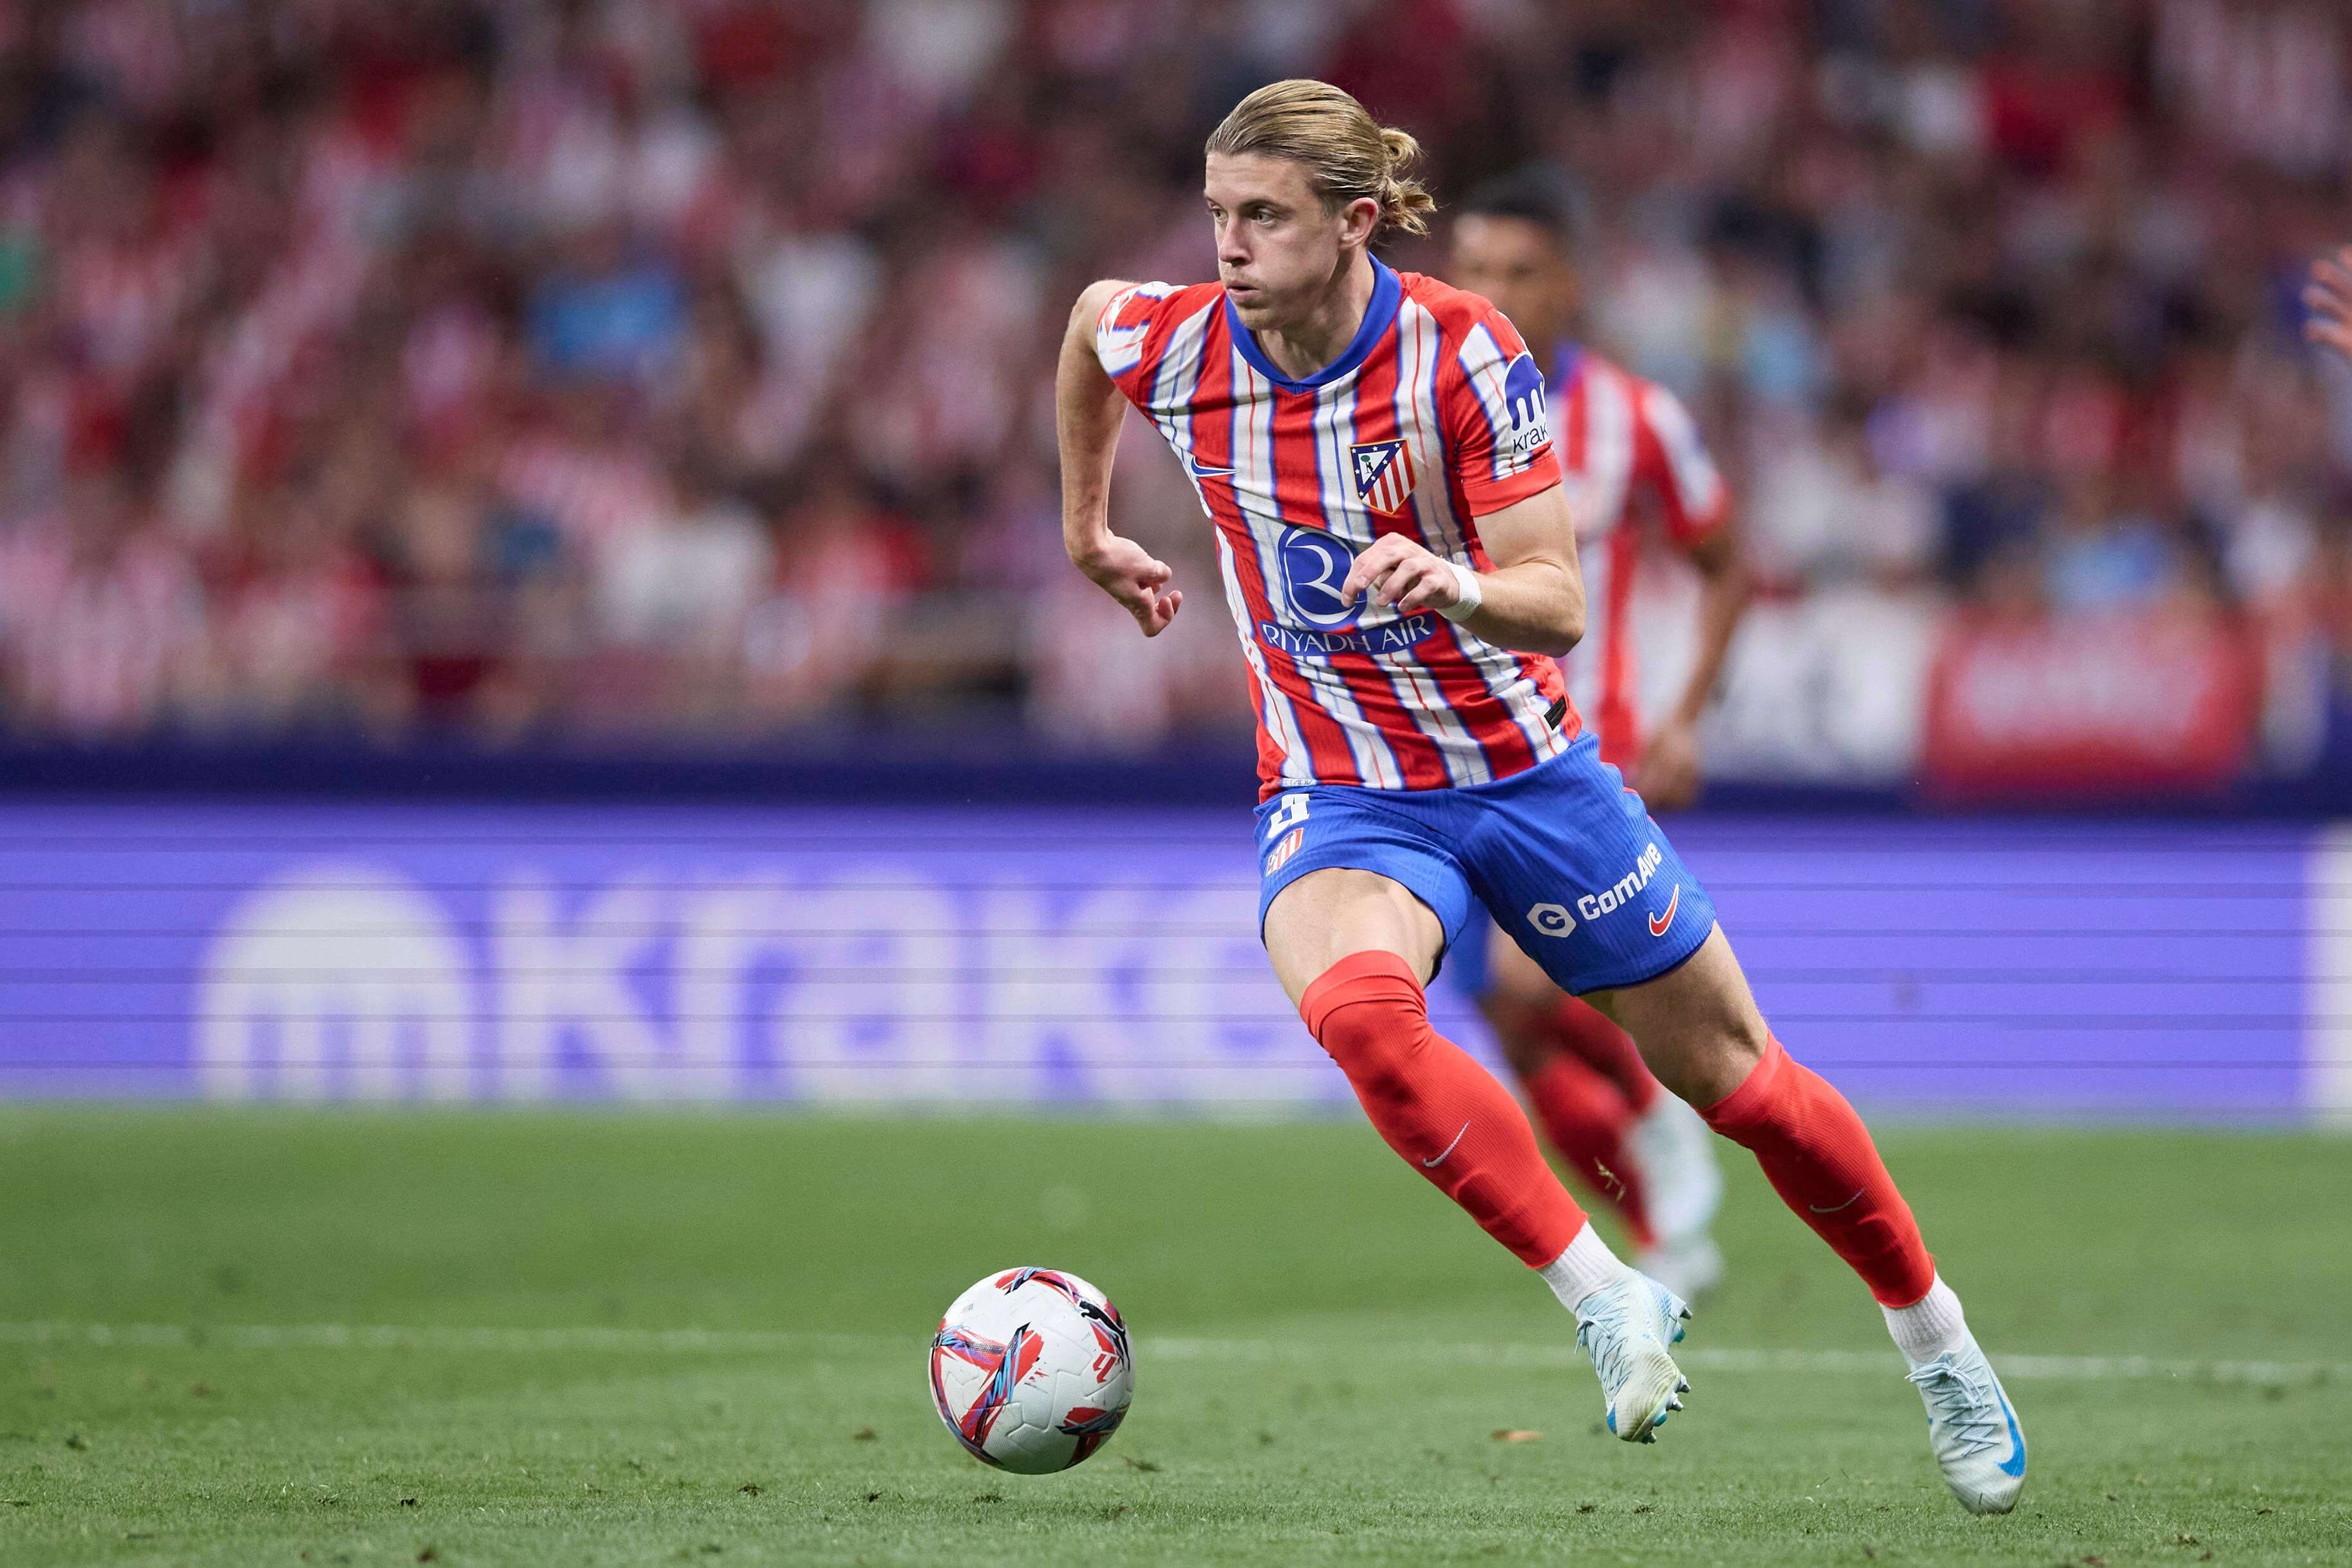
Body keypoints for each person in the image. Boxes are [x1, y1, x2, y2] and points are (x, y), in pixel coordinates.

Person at [1053, 79, 2024, 1512]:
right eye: (1217, 216)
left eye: (1264, 216)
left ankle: (1935, 1336)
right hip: (1346, 788)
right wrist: (1086, 522)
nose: (1230, 248)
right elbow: (1088, 321)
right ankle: (1604, 1293)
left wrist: (1453, 580)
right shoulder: (1182, 341)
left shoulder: (1459, 350)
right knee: (1366, 1024)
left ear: (1355, 220)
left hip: (1526, 773)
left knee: (1740, 1083)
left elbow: (1560, 602)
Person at [1440, 170, 1752, 1299]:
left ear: (1568, 284)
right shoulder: (1407, 402)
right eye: (1474, 268)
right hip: (1442, 751)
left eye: (1519, 272)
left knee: (1525, 989)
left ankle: (1663, 1099)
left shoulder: (1635, 419)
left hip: (1584, 748)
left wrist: (1682, 720)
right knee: (1508, 1022)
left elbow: (1726, 570)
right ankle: (1665, 1238)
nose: (1492, 291)